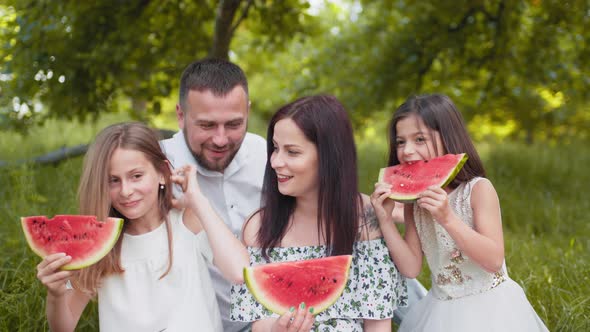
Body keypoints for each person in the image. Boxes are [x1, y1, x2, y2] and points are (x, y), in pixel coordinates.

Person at [35, 122, 249, 331]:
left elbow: (240, 271)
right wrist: (56, 294)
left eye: (136, 176)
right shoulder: (97, 242)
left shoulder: (187, 221)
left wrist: (198, 200)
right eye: (113, 180)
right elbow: (64, 326)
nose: (126, 191)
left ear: (162, 172)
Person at [371, 94, 549, 331]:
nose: (407, 150)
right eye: (401, 142)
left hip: (492, 309)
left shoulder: (478, 190)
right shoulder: (416, 204)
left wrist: (447, 218)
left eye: (420, 139)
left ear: (448, 138)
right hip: (439, 309)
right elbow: (411, 267)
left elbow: (494, 260)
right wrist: (385, 221)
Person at [230, 95, 408, 331]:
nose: (275, 162)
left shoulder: (367, 219)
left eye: (292, 152)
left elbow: (377, 323)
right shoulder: (258, 226)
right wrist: (276, 329)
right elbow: (258, 322)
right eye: (275, 148)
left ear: (328, 156)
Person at [160, 58, 266, 332]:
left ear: (248, 112)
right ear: (181, 115)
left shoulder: (270, 157)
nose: (220, 140)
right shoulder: (153, 168)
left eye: (233, 124)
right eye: (206, 125)